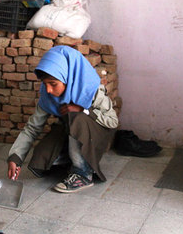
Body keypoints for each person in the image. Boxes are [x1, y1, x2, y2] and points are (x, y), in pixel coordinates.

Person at [7, 46, 119, 193]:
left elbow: (113, 122)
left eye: (53, 84)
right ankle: (71, 160)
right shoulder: (48, 96)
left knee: (76, 118)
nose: (48, 90)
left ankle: (83, 173)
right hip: (72, 132)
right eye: (45, 84)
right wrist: (15, 157)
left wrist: (84, 110)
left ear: (68, 78)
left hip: (95, 134)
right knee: (42, 158)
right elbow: (32, 128)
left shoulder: (91, 90)